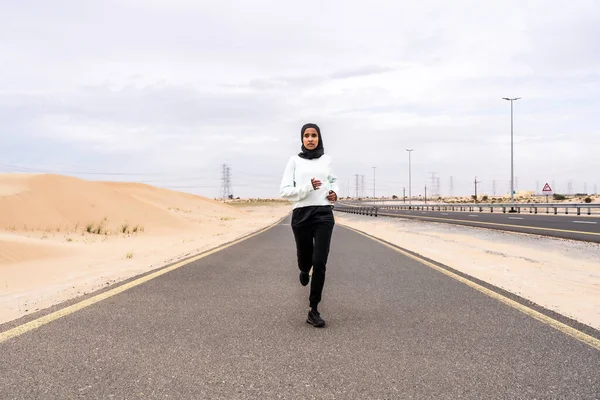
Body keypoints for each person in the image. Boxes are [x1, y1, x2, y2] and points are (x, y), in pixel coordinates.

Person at [280, 123, 339, 328]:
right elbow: (285, 191)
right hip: (301, 214)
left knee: (320, 261)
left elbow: (333, 181)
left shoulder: (327, 160)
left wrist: (334, 193)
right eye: (307, 135)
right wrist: (307, 188)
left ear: (319, 138)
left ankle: (313, 309)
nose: (311, 139)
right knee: (306, 259)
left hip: (323, 214)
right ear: (302, 139)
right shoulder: (294, 161)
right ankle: (304, 270)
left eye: (314, 135)